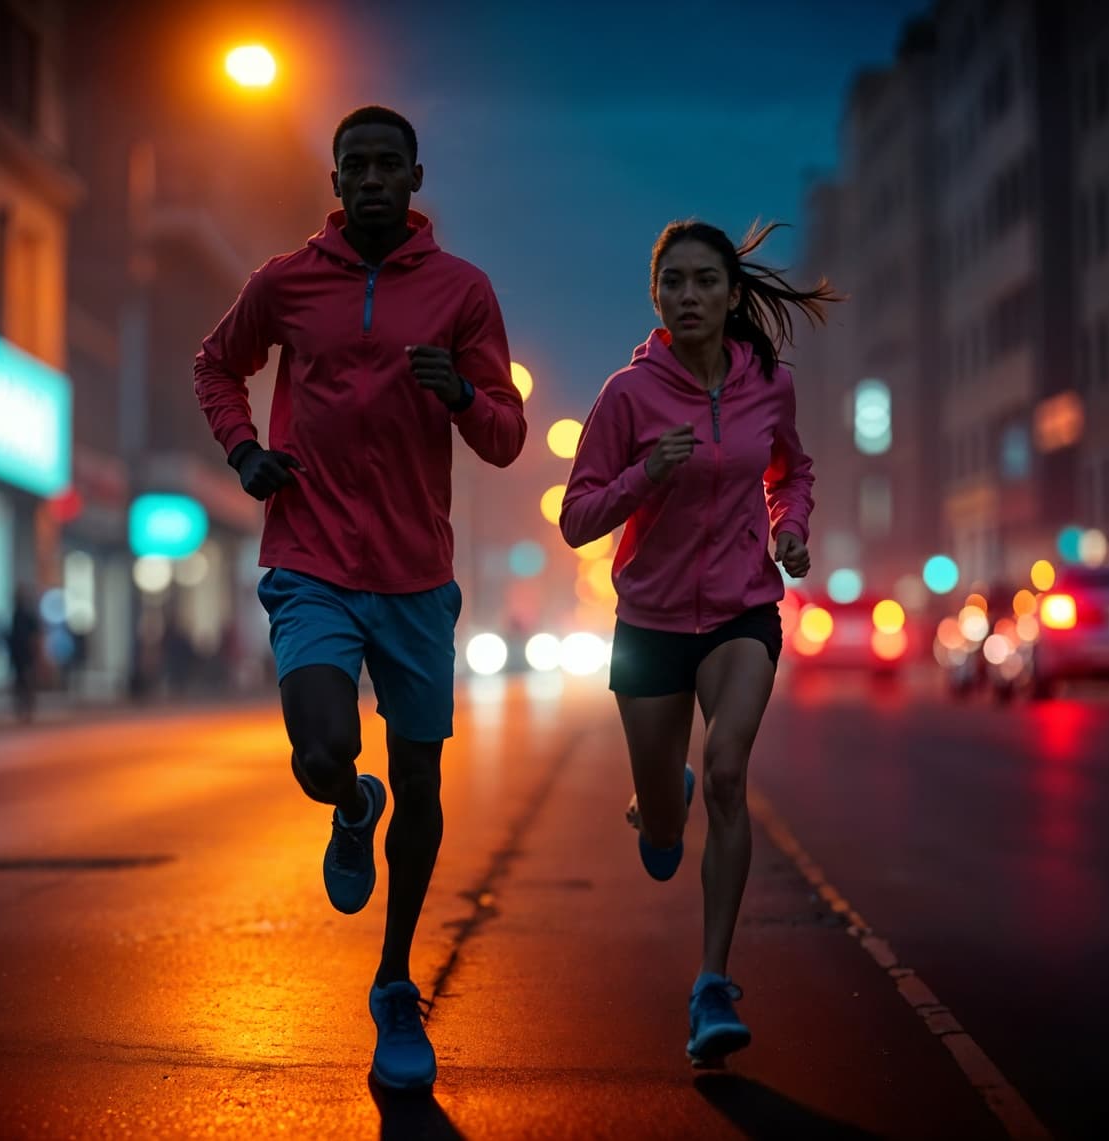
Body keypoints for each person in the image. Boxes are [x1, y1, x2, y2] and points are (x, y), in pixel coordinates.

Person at [193, 105, 526, 1092]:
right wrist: (245, 448)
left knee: (422, 789)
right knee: (323, 749)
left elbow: (506, 433)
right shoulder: (285, 284)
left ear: (414, 178)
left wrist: (460, 395)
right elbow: (217, 362)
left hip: (417, 574)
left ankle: (392, 983)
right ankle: (348, 805)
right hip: (310, 558)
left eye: (387, 164)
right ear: (334, 185)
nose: (371, 179)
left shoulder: (463, 293)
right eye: (354, 166)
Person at [559, 219, 832, 1068]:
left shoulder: (768, 385)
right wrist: (648, 473)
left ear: (729, 292)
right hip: (649, 620)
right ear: (656, 296)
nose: (690, 295)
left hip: (742, 609)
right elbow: (577, 518)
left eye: (705, 280)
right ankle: (657, 800)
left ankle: (712, 981)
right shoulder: (626, 396)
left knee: (726, 775)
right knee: (668, 828)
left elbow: (792, 470)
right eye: (673, 282)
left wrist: (789, 529)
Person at [7, 585, 40, 723]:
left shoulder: (25, 615)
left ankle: (27, 709)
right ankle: (22, 709)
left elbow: (34, 635)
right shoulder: (16, 614)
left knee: (25, 682)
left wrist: (35, 652)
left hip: (25, 654)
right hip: (19, 654)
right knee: (21, 682)